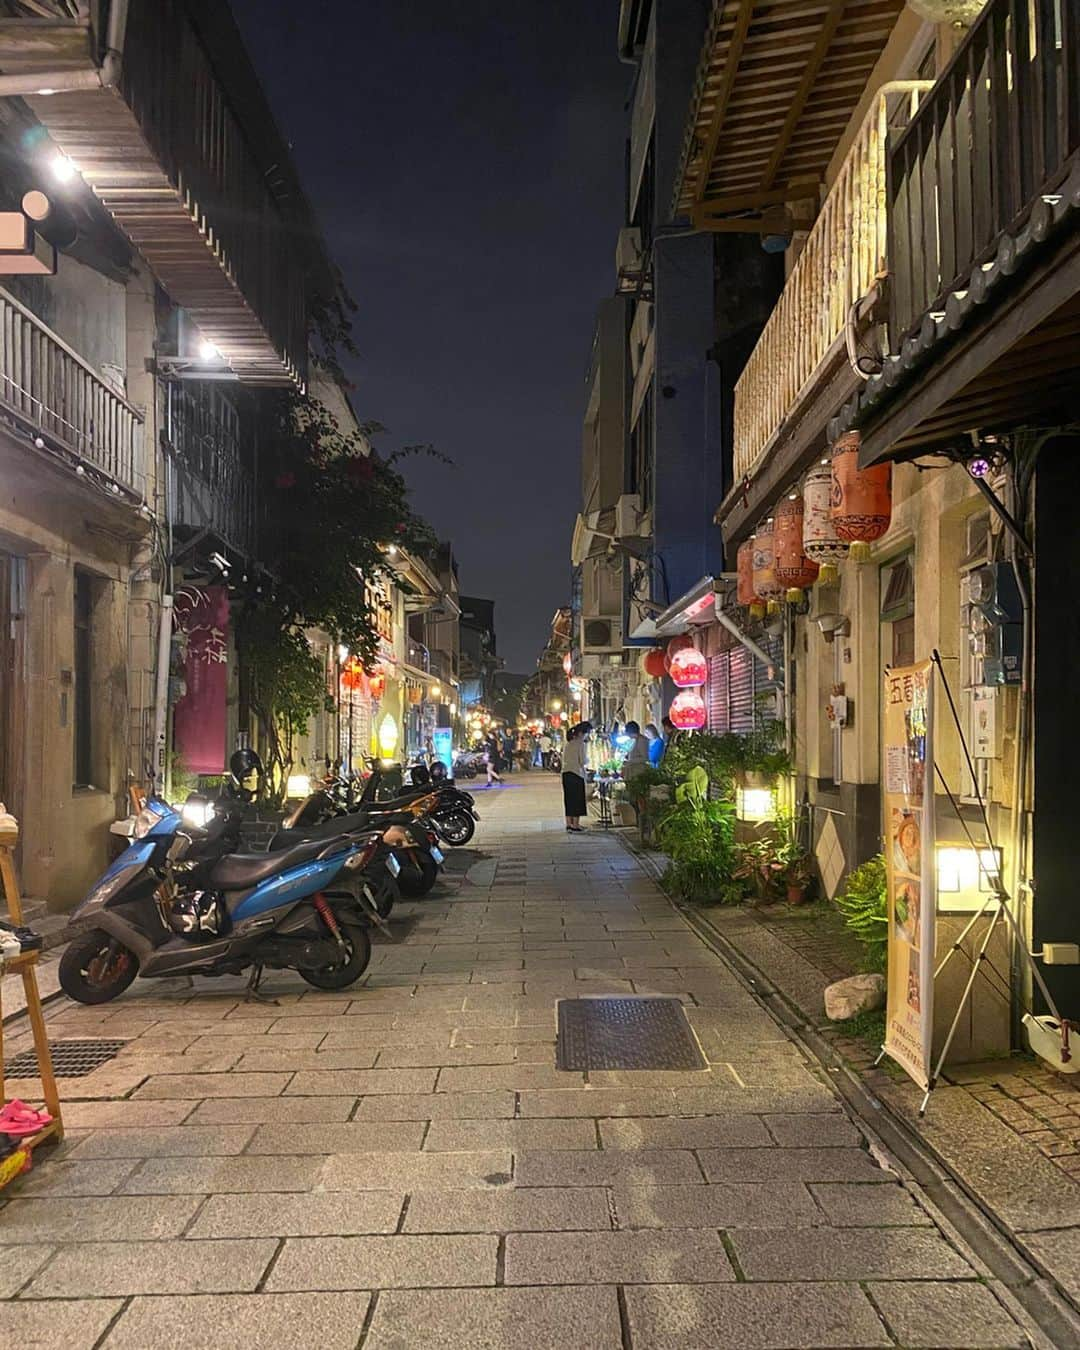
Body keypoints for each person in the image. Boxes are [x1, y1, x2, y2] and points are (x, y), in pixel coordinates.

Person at [562, 721, 591, 832]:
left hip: (566, 773)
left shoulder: (569, 743)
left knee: (569, 799)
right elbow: (582, 761)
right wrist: (588, 760)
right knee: (577, 800)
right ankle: (576, 825)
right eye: (587, 733)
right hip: (576, 774)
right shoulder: (581, 744)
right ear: (582, 733)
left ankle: (569, 824)